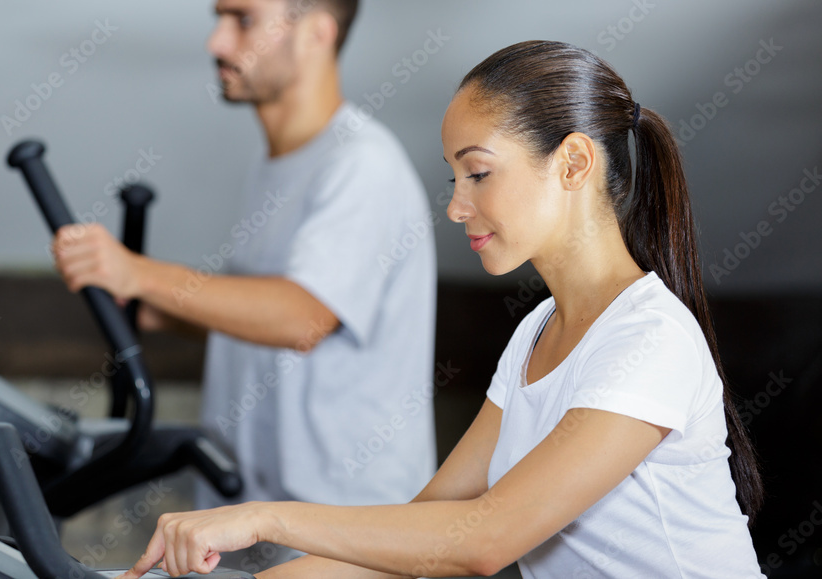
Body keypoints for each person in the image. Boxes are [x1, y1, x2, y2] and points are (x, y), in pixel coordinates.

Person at [116, 41, 766, 579]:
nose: (456, 206)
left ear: (572, 162)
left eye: (478, 172)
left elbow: (482, 539)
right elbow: (421, 536)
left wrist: (265, 516)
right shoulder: (536, 336)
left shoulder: (649, 342)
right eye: (454, 177)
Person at [51, 0, 438, 560]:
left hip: (340, 540)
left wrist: (137, 271)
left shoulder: (360, 166)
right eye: (220, 17)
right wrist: (162, 311)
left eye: (243, 19)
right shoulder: (277, 167)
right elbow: (269, 319)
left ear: (317, 32)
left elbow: (302, 318)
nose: (216, 42)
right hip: (255, 517)